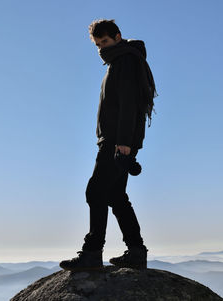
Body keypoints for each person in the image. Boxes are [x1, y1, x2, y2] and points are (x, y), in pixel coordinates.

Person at [59, 19, 157, 271]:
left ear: (117, 36)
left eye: (105, 41)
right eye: (98, 43)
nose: (101, 47)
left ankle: (92, 253)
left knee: (95, 192)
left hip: (116, 141)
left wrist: (123, 143)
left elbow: (128, 104)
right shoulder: (122, 60)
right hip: (118, 141)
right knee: (115, 195)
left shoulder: (124, 61)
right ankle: (136, 251)